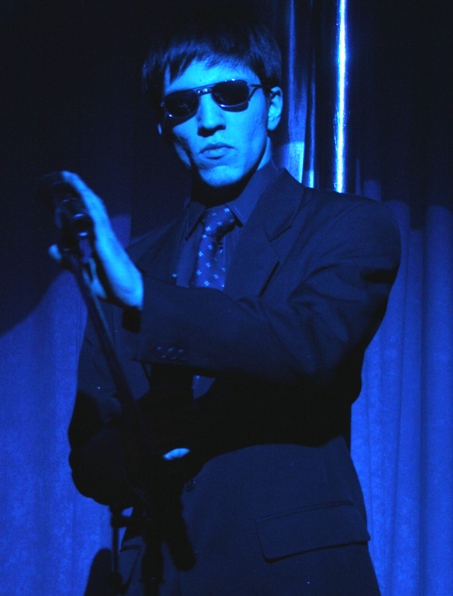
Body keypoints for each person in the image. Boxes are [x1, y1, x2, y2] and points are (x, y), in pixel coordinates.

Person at [58, 9, 401, 595]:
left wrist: (145, 299)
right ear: (164, 127)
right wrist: (139, 450)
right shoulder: (132, 264)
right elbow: (88, 457)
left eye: (231, 94)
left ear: (272, 107)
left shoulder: (346, 224)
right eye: (182, 105)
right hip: (159, 577)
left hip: (293, 576)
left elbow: (311, 345)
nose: (209, 121)